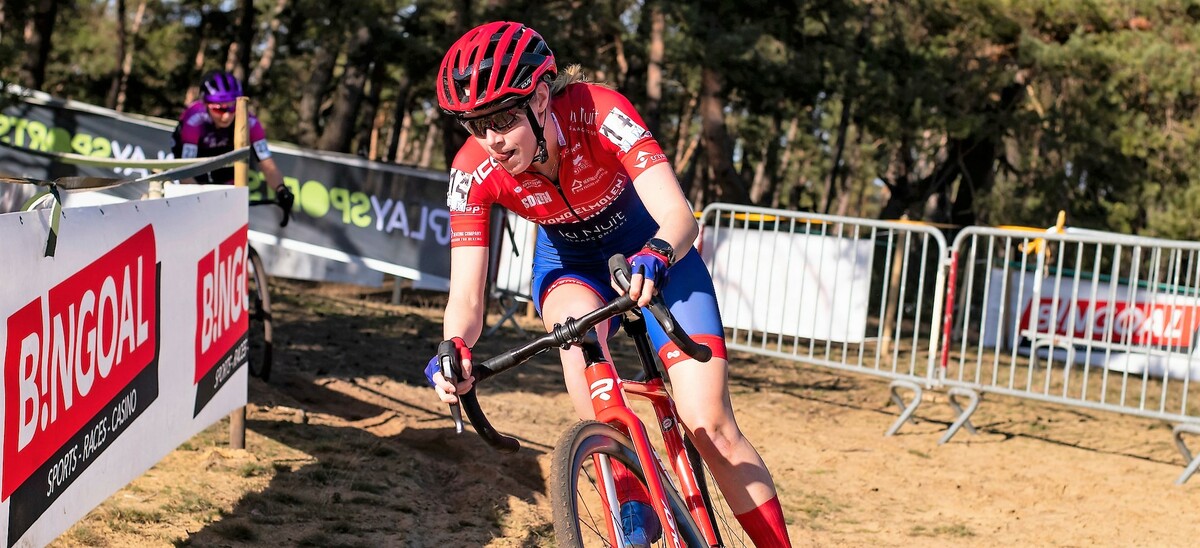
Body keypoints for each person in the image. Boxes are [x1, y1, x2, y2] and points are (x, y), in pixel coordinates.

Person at [426, 21, 792, 547]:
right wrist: (455, 346)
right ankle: (630, 502)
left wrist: (659, 254)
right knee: (575, 339)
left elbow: (679, 217)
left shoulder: (599, 111)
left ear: (542, 97)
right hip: (570, 263)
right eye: (474, 124)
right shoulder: (472, 171)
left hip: (654, 248)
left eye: (503, 119)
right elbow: (465, 296)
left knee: (708, 423)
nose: (491, 141)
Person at [171, 70, 292, 208]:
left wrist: (281, 189)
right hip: (196, 159)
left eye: (233, 108)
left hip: (225, 158)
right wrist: (203, 202)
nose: (227, 116)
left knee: (230, 196)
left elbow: (266, 161)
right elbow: (185, 172)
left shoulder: (250, 122)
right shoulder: (194, 122)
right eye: (219, 110)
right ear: (205, 104)